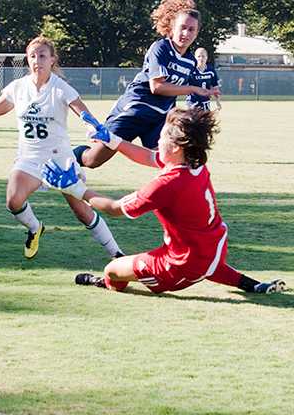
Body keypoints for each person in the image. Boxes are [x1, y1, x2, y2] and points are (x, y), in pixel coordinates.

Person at [43, 107, 286, 296]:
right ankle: (254, 286)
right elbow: (148, 156)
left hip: (180, 264)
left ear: (178, 146)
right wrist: (112, 140)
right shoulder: (195, 164)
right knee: (208, 265)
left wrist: (75, 188)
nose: (157, 141)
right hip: (214, 246)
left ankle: (106, 284)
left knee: (112, 271)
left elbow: (115, 209)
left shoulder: (166, 185)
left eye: (161, 137)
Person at [0, 35, 124, 261]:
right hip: (29, 159)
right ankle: (36, 228)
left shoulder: (60, 88)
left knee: (82, 211)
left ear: (53, 59)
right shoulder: (18, 87)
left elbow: (82, 111)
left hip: (61, 160)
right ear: (28, 60)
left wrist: (92, 126)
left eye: (43, 56)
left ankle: (116, 253)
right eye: (33, 56)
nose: (37, 61)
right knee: (13, 200)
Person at [73, 0, 221, 169]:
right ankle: (63, 159)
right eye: (182, 27)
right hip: (135, 110)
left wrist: (206, 92)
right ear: (172, 27)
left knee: (172, 162)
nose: (186, 33)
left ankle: (172, 196)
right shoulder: (160, 48)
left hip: (159, 118)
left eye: (192, 29)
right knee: (92, 161)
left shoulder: (190, 60)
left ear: (197, 33)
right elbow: (157, 87)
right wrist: (193, 89)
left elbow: (174, 92)